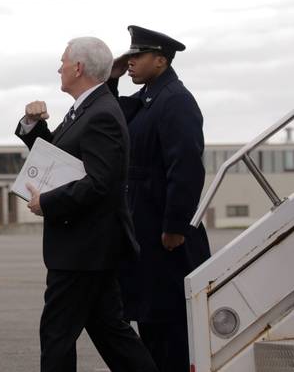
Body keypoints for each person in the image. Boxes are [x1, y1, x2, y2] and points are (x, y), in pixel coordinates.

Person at [16, 37, 158, 372]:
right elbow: (62, 159)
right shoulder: (88, 108)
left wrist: (46, 203)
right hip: (89, 248)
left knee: (57, 335)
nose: (59, 67)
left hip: (84, 249)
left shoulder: (101, 114)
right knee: (111, 333)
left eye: (63, 60)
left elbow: (100, 183)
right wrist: (34, 127)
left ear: (78, 67)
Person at [108, 25, 211, 372]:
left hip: (165, 235)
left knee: (171, 332)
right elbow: (117, 118)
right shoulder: (150, 97)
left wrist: (175, 225)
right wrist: (112, 79)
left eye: (138, 56)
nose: (131, 61)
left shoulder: (175, 100)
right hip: (146, 228)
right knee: (151, 324)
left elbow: (186, 167)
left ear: (161, 61)